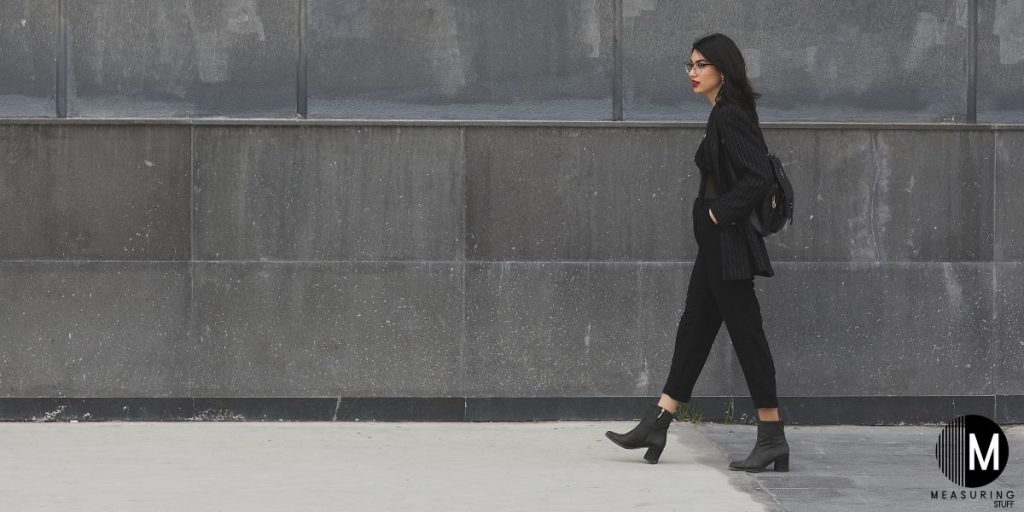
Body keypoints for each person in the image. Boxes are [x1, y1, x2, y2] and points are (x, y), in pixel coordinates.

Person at [605, 33, 789, 472]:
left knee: (746, 333)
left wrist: (716, 214)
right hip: (716, 240)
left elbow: (759, 176)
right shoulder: (722, 112)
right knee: (695, 328)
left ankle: (772, 435)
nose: (692, 72)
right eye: (689, 64)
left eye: (701, 64)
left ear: (723, 69)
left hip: (726, 240)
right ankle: (658, 421)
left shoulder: (730, 114)